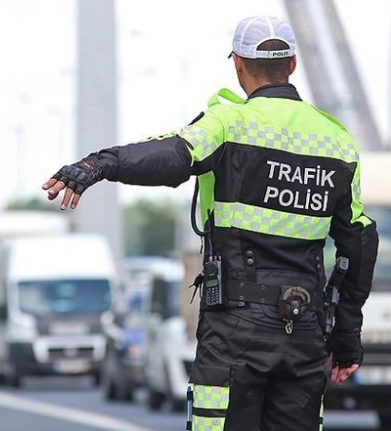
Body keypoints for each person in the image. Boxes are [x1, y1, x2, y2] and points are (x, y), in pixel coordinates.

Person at [42, 16, 379, 431]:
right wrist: (346, 336)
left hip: (235, 331)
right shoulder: (337, 141)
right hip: (304, 331)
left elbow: (170, 157)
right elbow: (359, 243)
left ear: (238, 64)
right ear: (292, 64)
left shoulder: (228, 122)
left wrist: (100, 164)